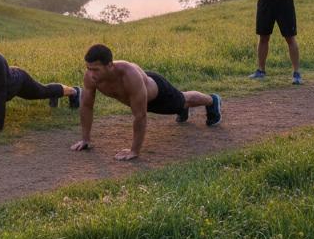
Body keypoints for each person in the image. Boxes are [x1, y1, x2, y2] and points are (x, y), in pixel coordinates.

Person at [70, 44, 220, 161]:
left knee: (183, 100)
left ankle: (212, 100)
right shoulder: (90, 78)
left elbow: (140, 115)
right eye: (88, 69)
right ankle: (184, 109)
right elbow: (86, 106)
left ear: (110, 65)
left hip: (157, 94)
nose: (91, 74)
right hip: (140, 92)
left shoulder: (128, 75)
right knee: (182, 104)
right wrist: (85, 139)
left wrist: (134, 150)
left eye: (95, 69)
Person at [0, 29, 80, 135]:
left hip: (17, 82)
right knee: (43, 92)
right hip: (4, 83)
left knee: (42, 92)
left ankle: (74, 91)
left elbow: (1, 94)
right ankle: (56, 94)